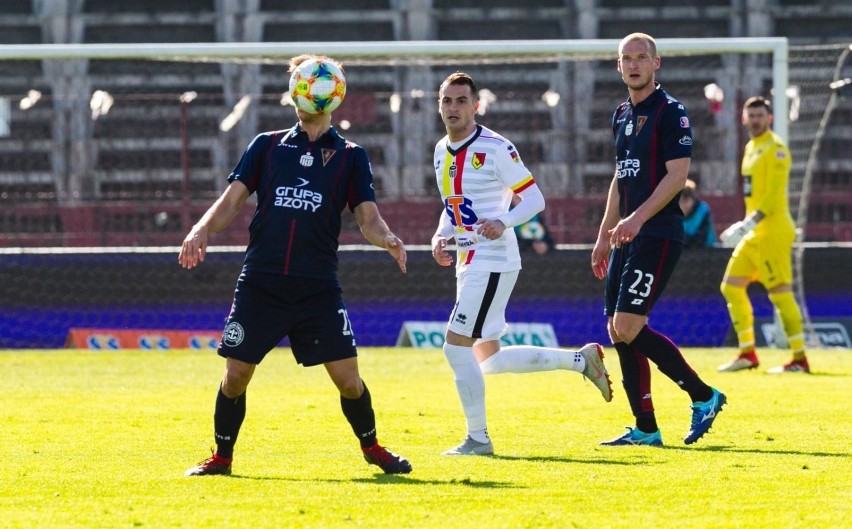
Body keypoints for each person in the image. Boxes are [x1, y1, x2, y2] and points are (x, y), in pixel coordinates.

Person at [178, 54, 411, 476]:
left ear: (333, 95)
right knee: (235, 377)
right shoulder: (266, 145)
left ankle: (373, 448)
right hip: (261, 283)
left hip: (317, 287)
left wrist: (388, 239)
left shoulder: (351, 156)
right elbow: (232, 200)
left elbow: (367, 217)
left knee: (349, 381)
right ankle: (222, 458)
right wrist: (201, 229)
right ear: (295, 94)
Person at [431, 72, 612, 457]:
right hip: (468, 259)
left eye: (462, 101)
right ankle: (582, 360)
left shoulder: (496, 148)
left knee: (455, 348)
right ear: (439, 105)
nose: (453, 108)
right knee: (489, 361)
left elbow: (535, 200)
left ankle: (478, 439)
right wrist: (439, 236)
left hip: (493, 261)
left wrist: (505, 221)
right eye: (447, 100)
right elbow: (452, 208)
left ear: (476, 106)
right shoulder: (440, 150)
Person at [590, 33, 726, 447]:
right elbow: (620, 177)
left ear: (656, 63)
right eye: (626, 59)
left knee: (629, 324)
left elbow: (677, 175)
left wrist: (636, 218)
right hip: (626, 235)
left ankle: (704, 396)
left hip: (658, 231)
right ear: (618, 66)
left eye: (641, 58)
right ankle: (646, 428)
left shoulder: (672, 112)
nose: (633, 65)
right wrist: (602, 237)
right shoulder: (620, 115)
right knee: (618, 331)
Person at [717, 96, 811, 374]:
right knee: (731, 286)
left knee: (780, 292)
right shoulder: (750, 147)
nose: (756, 120)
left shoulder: (777, 149)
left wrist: (747, 224)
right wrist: (749, 225)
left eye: (761, 115)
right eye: (751, 115)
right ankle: (747, 353)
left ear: (769, 118)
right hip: (755, 231)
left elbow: (772, 197)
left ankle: (799, 358)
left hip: (773, 229)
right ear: (744, 119)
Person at [680, 179, 717, 249]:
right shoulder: (671, 213)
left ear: (693, 199)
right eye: (681, 201)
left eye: (687, 199)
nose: (684, 205)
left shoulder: (703, 211)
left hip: (706, 253)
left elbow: (700, 238)